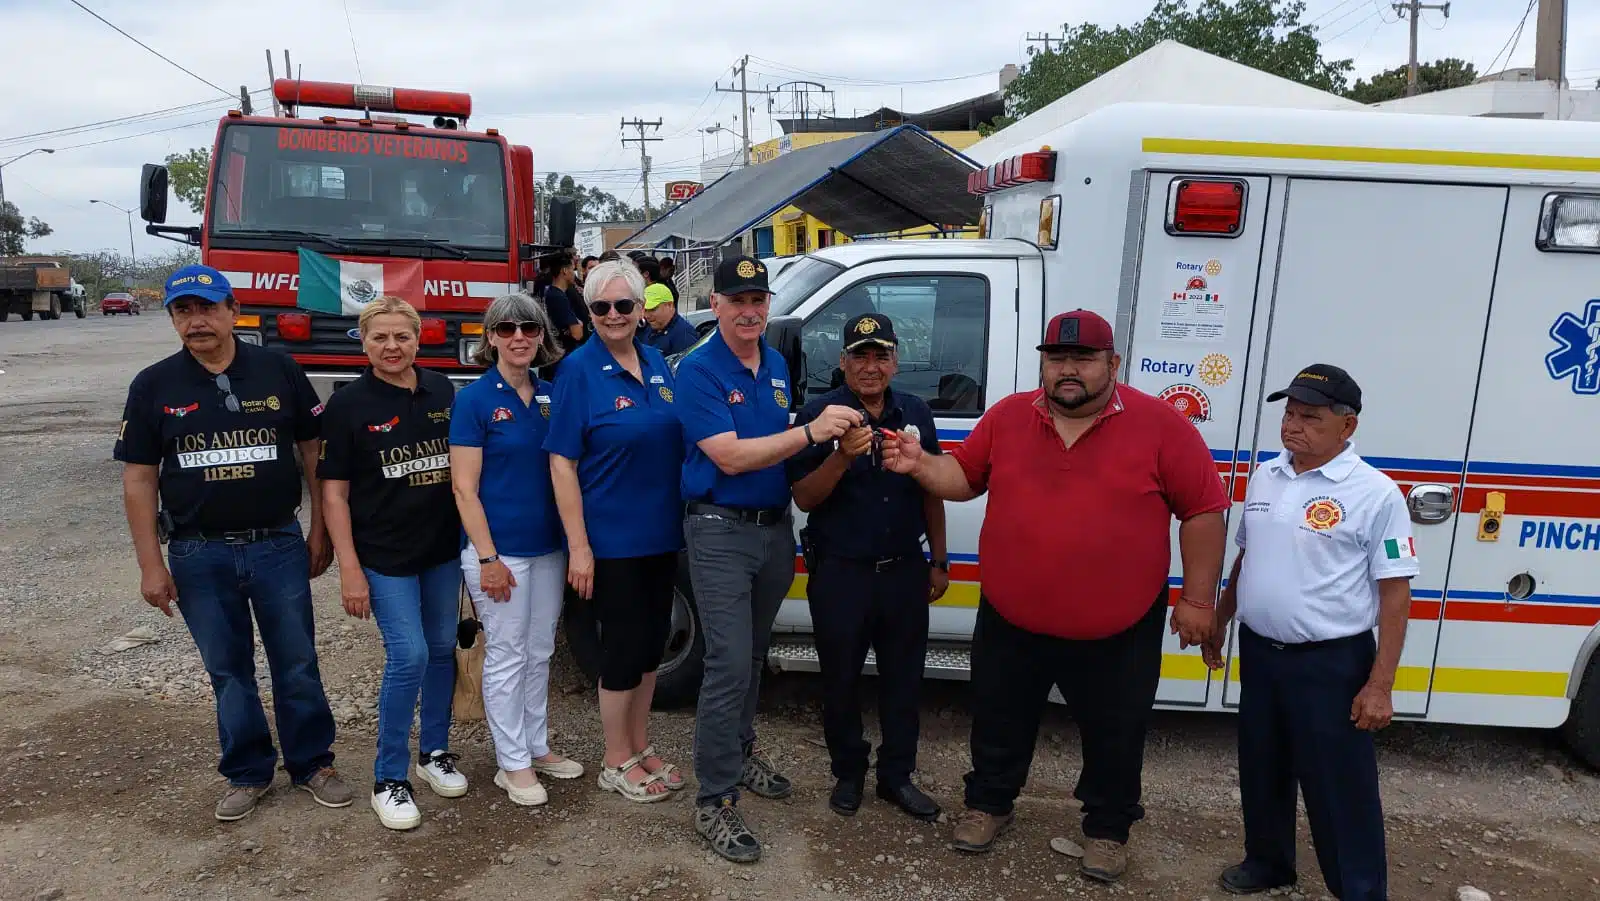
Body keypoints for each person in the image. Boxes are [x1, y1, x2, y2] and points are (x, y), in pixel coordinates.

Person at [880, 309, 1229, 883]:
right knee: (997, 720)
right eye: (1057, 358)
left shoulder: (1162, 425)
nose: (1069, 370)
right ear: (1043, 362)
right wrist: (921, 465)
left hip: (1120, 624)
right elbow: (965, 479)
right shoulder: (1010, 416)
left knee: (1116, 734)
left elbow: (1203, 511)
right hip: (1012, 617)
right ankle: (989, 805)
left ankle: (1107, 830)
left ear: (1112, 364)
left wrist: (1197, 599)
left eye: (1083, 358)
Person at [114, 265, 349, 822]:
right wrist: (151, 565)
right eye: (183, 311)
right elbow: (139, 479)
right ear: (173, 318)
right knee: (228, 669)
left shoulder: (278, 369)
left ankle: (313, 762)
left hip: (277, 545)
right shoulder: (153, 386)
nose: (196, 321)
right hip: (198, 553)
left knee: (296, 662)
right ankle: (247, 771)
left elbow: (315, 452)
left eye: (206, 308)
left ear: (231, 309)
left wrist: (319, 530)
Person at [677, 255, 866, 861]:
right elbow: (730, 457)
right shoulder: (699, 370)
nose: (750, 310)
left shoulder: (777, 361)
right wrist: (812, 433)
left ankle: (739, 751)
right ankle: (715, 798)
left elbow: (775, 432)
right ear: (716, 304)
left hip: (771, 530)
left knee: (754, 655)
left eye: (758, 298)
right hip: (719, 531)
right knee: (728, 662)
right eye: (737, 300)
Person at [1206, 365, 1415, 901]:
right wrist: (1221, 619)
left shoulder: (1376, 494)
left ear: (1347, 428)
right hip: (1262, 652)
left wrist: (1380, 685)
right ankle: (1269, 862)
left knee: (1338, 784)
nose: (1293, 427)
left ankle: (1359, 888)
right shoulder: (1267, 475)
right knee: (1263, 765)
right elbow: (1247, 557)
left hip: (1330, 662)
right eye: (1290, 414)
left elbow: (1395, 594)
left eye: (1310, 418)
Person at [787, 313, 948, 822]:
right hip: (841, 574)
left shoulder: (916, 411)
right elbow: (805, 498)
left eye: (881, 355)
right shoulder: (818, 415)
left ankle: (897, 777)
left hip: (904, 571)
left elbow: (933, 491)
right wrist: (838, 458)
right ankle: (849, 773)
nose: (871, 366)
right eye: (860, 355)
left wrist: (939, 562)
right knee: (840, 680)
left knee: (904, 681)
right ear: (843, 362)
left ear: (896, 361)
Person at [317, 296, 467, 831]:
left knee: (443, 650)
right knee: (409, 656)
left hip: (441, 550)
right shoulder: (348, 405)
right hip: (383, 557)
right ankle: (389, 778)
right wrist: (349, 569)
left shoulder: (443, 391)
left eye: (401, 336)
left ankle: (434, 754)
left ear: (418, 338)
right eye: (380, 337)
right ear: (364, 342)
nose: (391, 347)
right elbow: (333, 494)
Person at [545, 260, 687, 803]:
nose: (612, 315)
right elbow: (561, 462)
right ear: (589, 311)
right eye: (601, 307)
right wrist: (579, 546)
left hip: (660, 534)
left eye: (623, 306)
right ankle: (614, 758)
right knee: (623, 651)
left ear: (639, 310)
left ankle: (640, 744)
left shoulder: (656, 362)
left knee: (651, 647)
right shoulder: (578, 371)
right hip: (611, 541)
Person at [449, 292, 584, 808]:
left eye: (528, 328)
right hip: (500, 553)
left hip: (548, 548)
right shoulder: (475, 400)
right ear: (491, 338)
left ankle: (536, 745)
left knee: (541, 651)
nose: (519, 338)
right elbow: (464, 488)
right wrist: (487, 558)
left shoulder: (551, 395)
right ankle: (512, 763)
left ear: (541, 336)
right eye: (506, 330)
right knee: (506, 656)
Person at [641, 281, 699, 357]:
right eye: (645, 310)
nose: (647, 315)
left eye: (652, 309)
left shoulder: (684, 336)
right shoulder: (649, 328)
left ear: (669, 305)